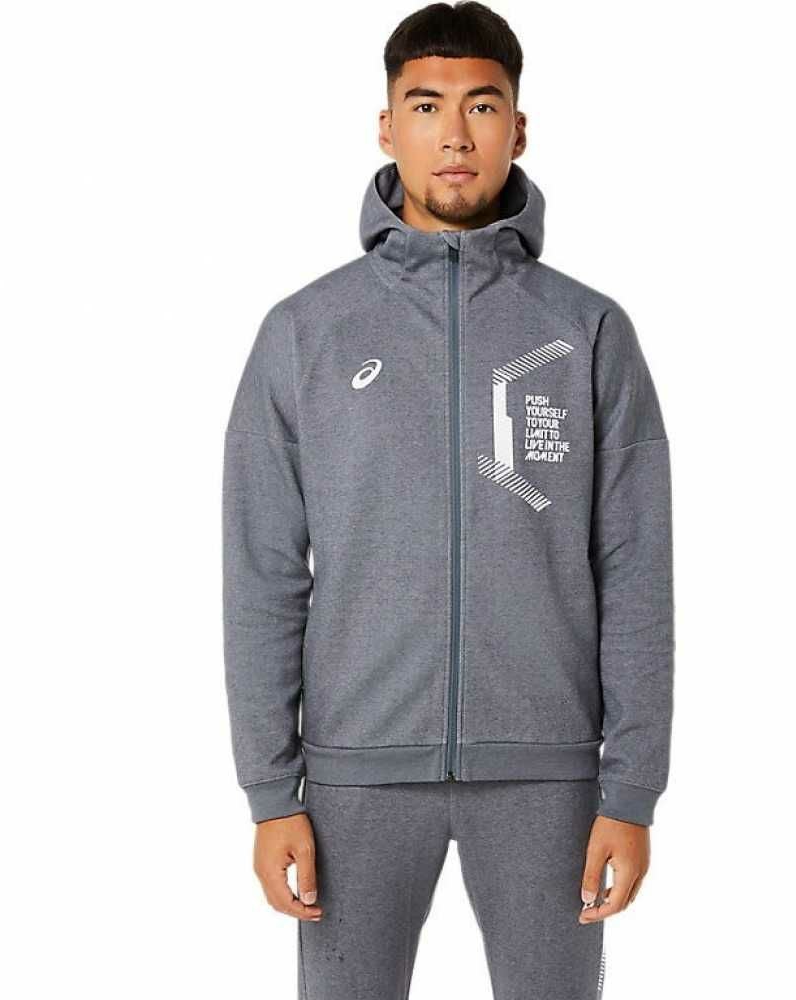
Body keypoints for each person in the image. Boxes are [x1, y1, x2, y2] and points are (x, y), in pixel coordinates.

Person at [221, 3, 675, 996]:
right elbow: (261, 573)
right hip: (353, 775)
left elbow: (635, 569)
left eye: (483, 105)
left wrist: (632, 787)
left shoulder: (587, 331)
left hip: (551, 774)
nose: (456, 135)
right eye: (426, 106)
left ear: (519, 127)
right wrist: (270, 789)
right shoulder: (306, 332)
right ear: (387, 126)